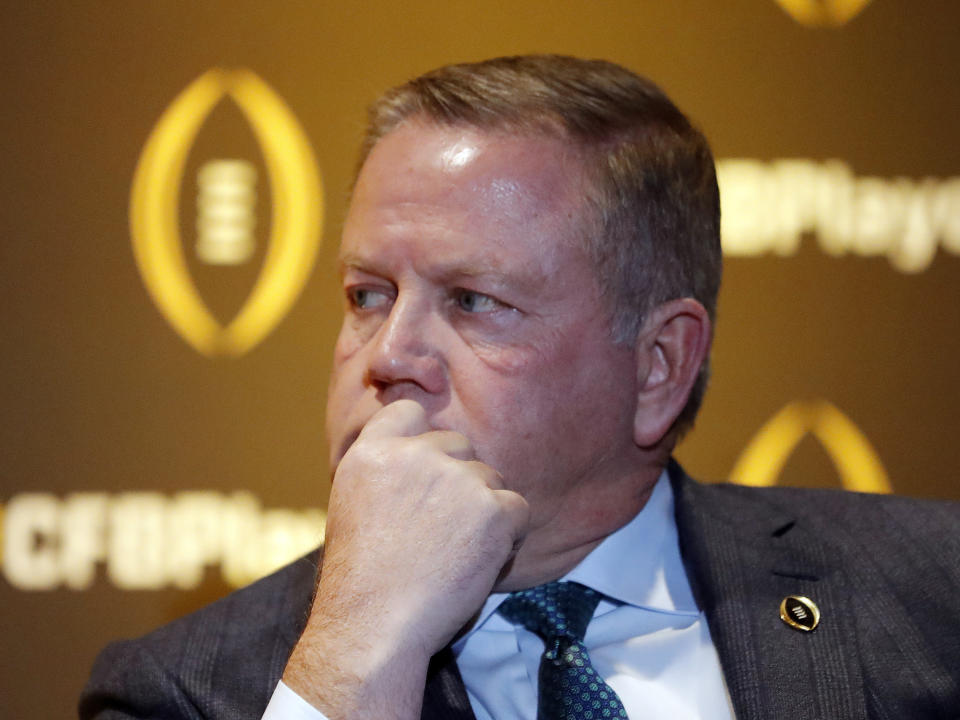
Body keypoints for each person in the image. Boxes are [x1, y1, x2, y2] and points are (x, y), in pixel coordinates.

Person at [81, 55, 960, 720]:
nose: (389, 354)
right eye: (367, 296)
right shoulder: (183, 692)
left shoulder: (933, 596)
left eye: (474, 301)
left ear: (657, 365)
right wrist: (356, 654)